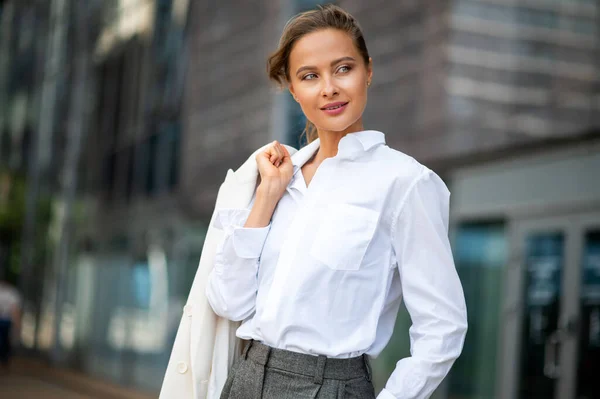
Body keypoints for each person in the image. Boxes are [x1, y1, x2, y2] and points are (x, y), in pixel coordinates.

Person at [205, 4, 468, 399]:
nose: (328, 88)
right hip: (244, 379)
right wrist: (265, 199)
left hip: (330, 387)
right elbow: (229, 302)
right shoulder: (276, 175)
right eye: (309, 76)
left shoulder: (405, 183)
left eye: (343, 68)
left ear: (368, 71)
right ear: (294, 90)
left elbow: (443, 326)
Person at [0, 273, 21, 372]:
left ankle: (5, 359)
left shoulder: (12, 293)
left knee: (5, 340)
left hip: (6, 320)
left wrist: (17, 323)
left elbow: (15, 309)